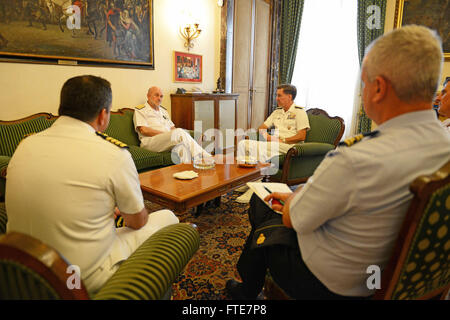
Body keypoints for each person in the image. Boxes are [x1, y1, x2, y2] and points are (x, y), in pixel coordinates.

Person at [226, 25, 450, 300]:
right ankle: (248, 288)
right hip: (409, 282)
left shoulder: (356, 157)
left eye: (364, 82)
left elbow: (293, 219)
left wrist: (293, 201)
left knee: (264, 209)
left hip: (334, 286)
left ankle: (246, 292)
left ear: (378, 88)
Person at [6, 75, 179, 295]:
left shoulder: (24, 145)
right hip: (78, 278)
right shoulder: (114, 154)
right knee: (168, 218)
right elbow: (137, 221)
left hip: (21, 270)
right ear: (103, 115)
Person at [235, 84, 310, 203]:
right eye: (276, 95)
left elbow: (302, 135)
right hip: (275, 144)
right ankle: (247, 181)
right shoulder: (277, 112)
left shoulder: (300, 112)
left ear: (289, 97)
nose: (276, 98)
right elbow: (262, 128)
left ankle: (255, 188)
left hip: (291, 146)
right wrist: (267, 137)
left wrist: (282, 140)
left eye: (279, 95)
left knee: (260, 148)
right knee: (243, 144)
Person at [133, 86, 211, 163]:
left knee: (182, 148)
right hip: (150, 142)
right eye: (156, 95)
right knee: (178, 132)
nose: (159, 98)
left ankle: (189, 172)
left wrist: (172, 135)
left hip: (166, 140)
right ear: (148, 96)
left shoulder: (163, 111)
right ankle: (205, 156)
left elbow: (172, 128)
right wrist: (168, 134)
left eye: (161, 96)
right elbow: (144, 130)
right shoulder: (141, 110)